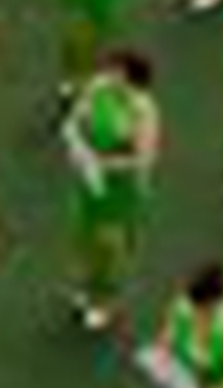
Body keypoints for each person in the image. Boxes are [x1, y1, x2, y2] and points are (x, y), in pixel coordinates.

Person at [56, 49, 168, 334]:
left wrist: (104, 163)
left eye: (116, 71)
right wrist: (78, 144)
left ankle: (104, 302)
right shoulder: (99, 87)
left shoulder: (143, 109)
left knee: (110, 246)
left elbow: (143, 157)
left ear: (131, 77)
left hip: (120, 186)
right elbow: (77, 118)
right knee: (84, 236)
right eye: (110, 68)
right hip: (90, 178)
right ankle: (85, 287)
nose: (109, 74)